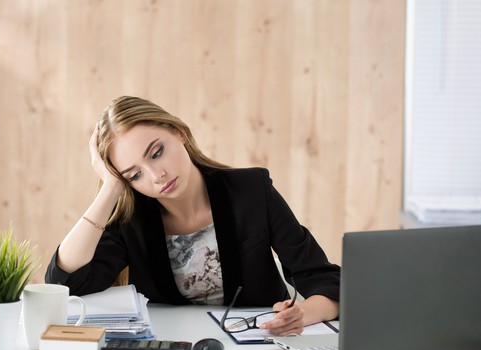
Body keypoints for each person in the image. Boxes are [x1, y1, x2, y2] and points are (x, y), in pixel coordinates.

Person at [45, 96, 340, 336]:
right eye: (134, 175)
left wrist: (302, 314)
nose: (156, 176)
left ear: (179, 133)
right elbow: (65, 285)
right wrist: (109, 189)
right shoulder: (130, 218)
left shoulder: (252, 191)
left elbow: (324, 278)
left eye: (156, 153)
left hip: (258, 348)